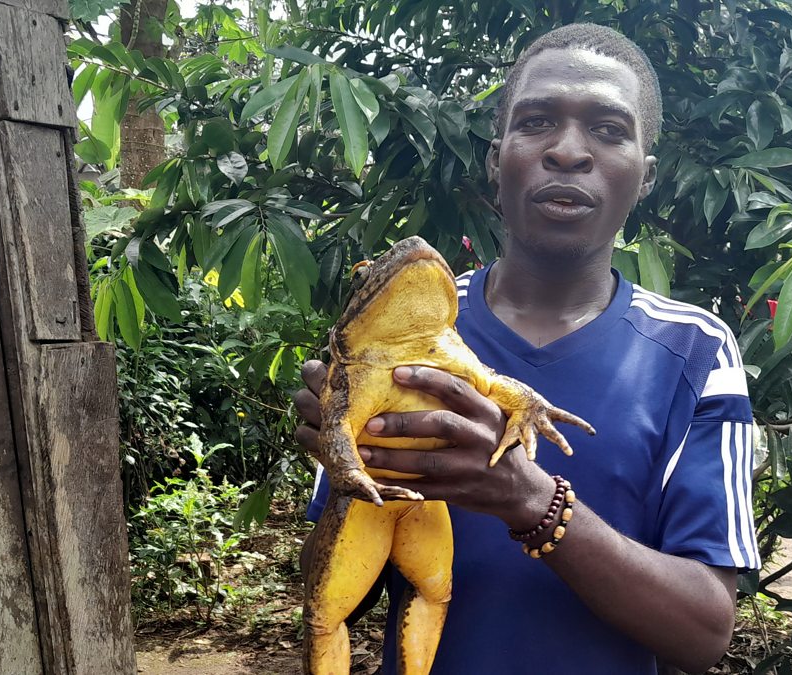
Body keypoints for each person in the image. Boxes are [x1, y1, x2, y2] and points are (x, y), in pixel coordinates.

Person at [294, 23, 758, 675]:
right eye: (537, 121)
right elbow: (344, 590)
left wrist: (531, 500)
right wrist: (346, 460)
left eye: (608, 129)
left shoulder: (696, 350)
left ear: (645, 175)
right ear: (496, 156)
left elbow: (703, 632)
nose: (568, 151)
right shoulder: (397, 323)